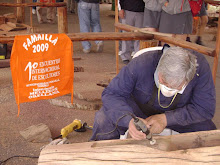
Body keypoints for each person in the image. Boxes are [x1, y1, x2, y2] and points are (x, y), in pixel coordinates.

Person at [90, 46, 216, 141]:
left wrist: (166, 119)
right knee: (103, 119)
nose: (168, 89)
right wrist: (128, 119)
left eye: (175, 87)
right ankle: (99, 157)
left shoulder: (200, 69)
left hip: (178, 113)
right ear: (159, 69)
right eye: (164, 82)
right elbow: (112, 94)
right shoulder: (142, 64)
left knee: (209, 134)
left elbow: (205, 108)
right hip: (137, 110)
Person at [119, 0, 144, 64]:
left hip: (141, 11)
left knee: (139, 35)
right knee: (126, 35)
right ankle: (125, 56)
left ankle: (137, 55)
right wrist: (121, 9)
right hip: (127, 10)